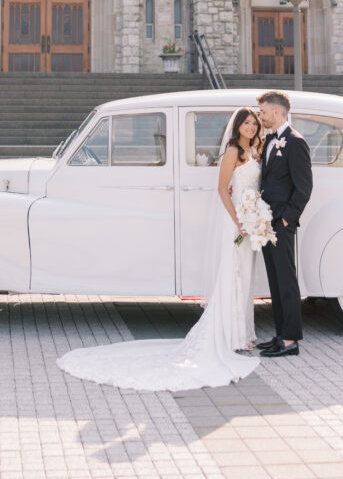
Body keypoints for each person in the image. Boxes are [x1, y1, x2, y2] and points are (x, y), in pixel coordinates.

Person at [56, 108, 264, 391]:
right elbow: (221, 188)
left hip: (249, 218)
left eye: (254, 123)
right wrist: (238, 220)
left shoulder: (253, 151)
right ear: (238, 126)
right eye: (246, 123)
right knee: (233, 273)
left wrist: (255, 214)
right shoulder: (233, 151)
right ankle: (231, 335)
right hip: (236, 221)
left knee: (246, 275)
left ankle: (243, 333)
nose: (251, 127)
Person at [256, 90, 313, 358]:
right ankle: (280, 335)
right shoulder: (269, 140)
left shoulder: (295, 142)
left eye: (263, 112)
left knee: (287, 281)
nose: (261, 117)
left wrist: (287, 219)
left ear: (276, 112)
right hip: (266, 222)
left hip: (281, 223)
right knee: (275, 281)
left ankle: (290, 341)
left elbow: (304, 187)